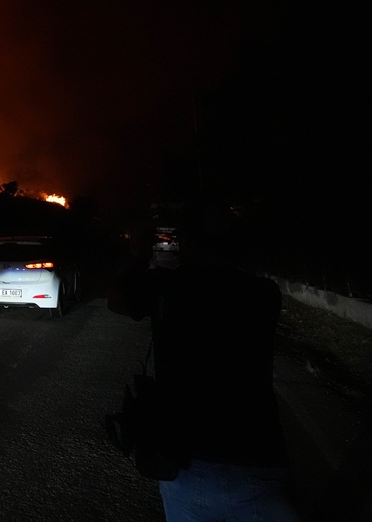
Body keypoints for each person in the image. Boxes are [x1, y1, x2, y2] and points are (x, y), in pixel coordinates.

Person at [108, 204, 300, 522]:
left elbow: (118, 299)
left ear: (186, 243)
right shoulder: (265, 294)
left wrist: (143, 256)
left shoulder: (168, 287)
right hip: (258, 458)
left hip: (185, 460)